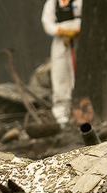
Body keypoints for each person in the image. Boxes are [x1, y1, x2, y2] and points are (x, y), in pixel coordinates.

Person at [41, 0, 82, 130]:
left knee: (78, 75)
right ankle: (62, 118)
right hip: (60, 42)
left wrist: (77, 30)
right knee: (59, 77)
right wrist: (61, 31)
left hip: (79, 39)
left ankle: (82, 114)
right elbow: (47, 23)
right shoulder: (52, 3)